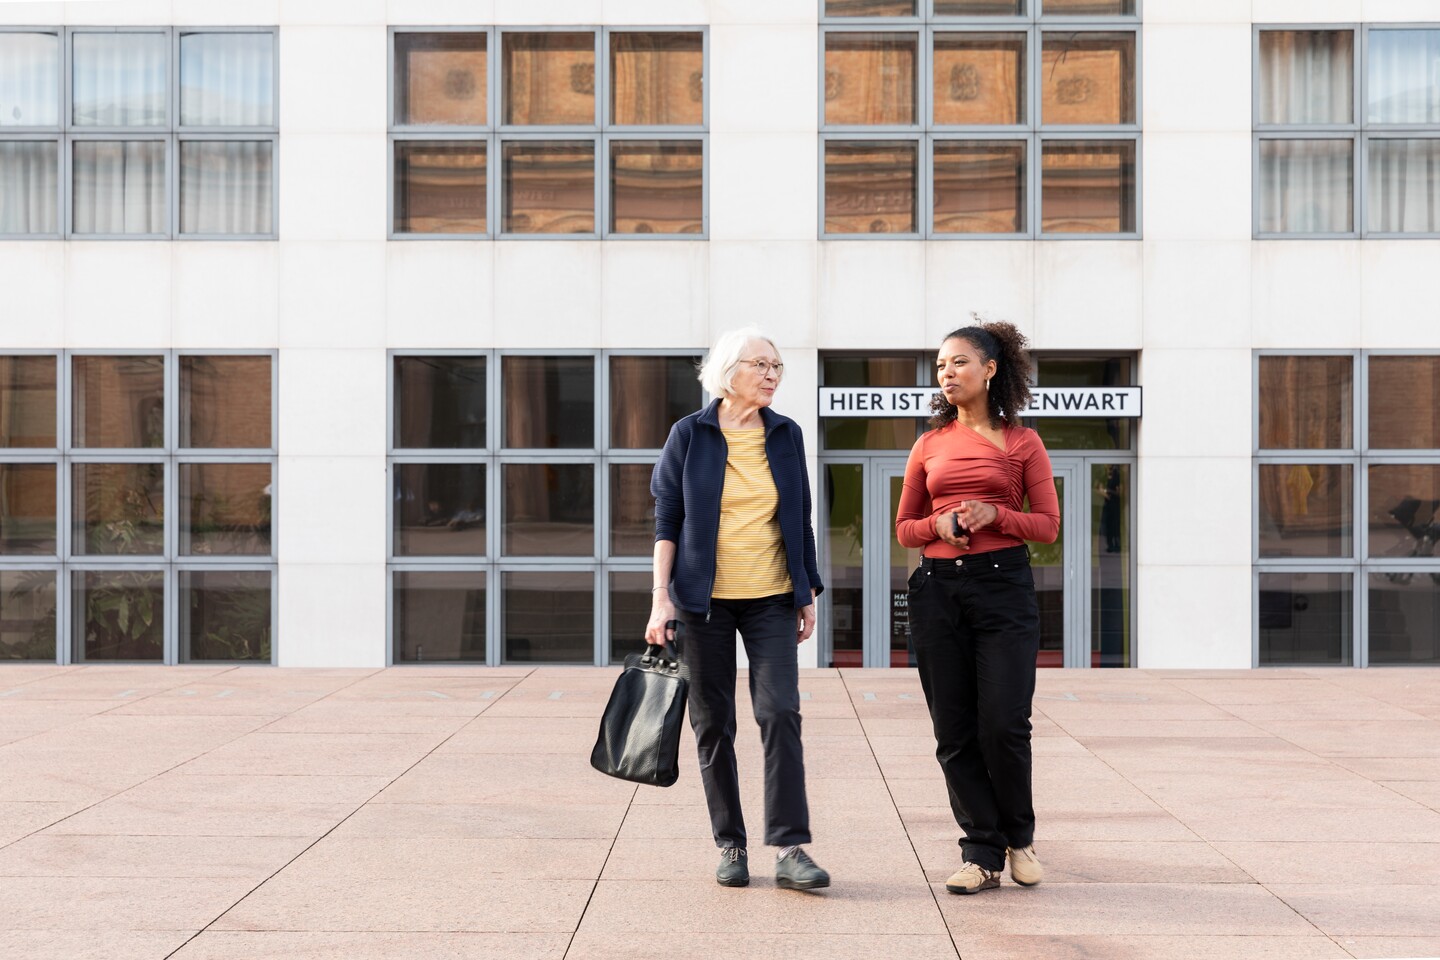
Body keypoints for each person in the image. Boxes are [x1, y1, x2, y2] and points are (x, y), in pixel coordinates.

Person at [646, 326, 829, 891]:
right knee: (713, 724)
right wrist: (661, 600)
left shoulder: (785, 434)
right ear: (730, 371)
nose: (772, 375)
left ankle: (791, 848)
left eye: (777, 367)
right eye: (761, 365)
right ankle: (731, 843)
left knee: (780, 714)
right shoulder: (690, 434)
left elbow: (800, 517)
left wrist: (807, 591)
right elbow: (666, 522)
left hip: (771, 598)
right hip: (703, 606)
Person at [895, 321, 1060, 895]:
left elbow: (1048, 524)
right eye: (941, 365)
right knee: (955, 730)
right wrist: (937, 524)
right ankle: (981, 852)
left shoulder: (1022, 443)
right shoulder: (927, 444)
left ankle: (1020, 839)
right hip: (938, 591)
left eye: (959, 362)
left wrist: (997, 516)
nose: (947, 373)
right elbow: (904, 529)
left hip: (1003, 589)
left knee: (1005, 722)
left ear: (990, 369)